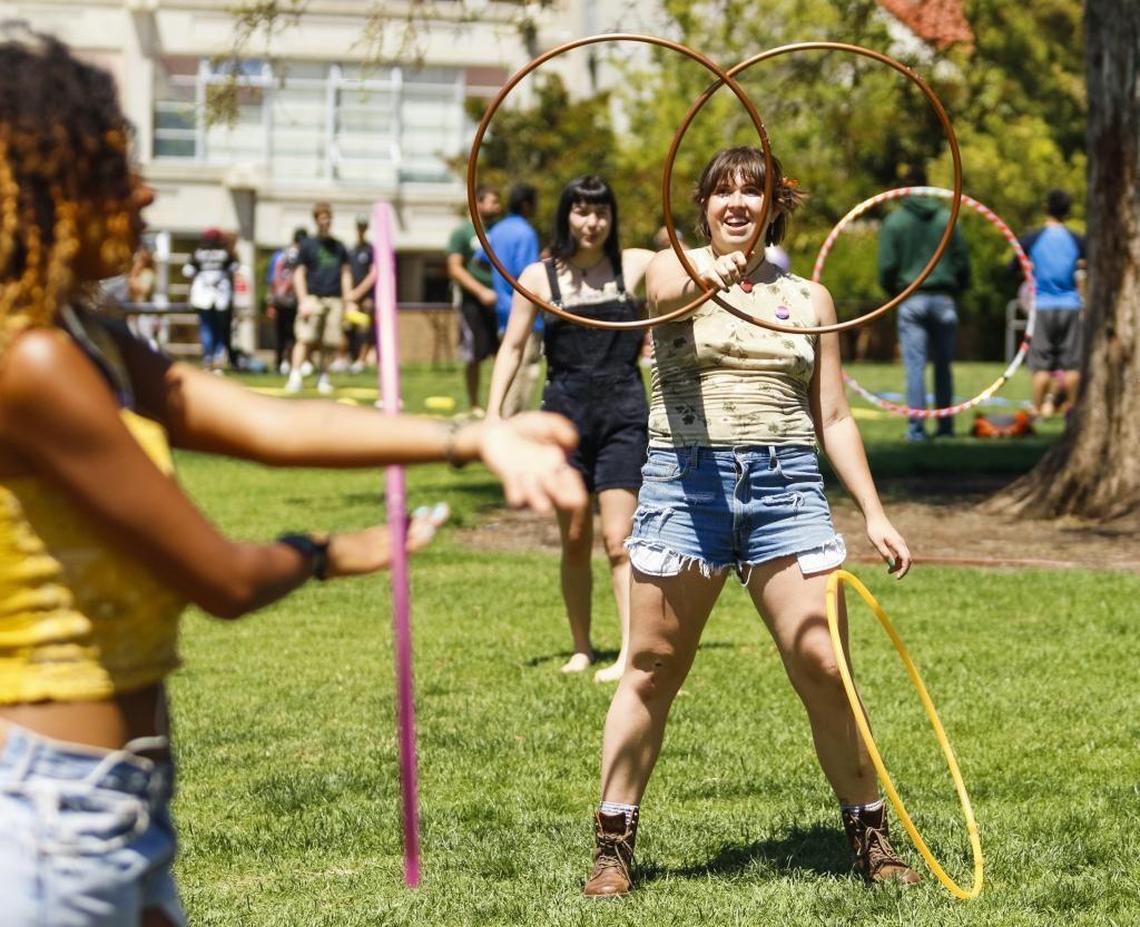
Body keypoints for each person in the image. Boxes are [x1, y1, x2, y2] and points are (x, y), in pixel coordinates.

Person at [0, 29, 587, 926]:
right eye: (115, 172)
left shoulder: (89, 338)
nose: (146, 191)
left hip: (118, 803)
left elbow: (265, 421)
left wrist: (471, 437)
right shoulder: (32, 367)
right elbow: (222, 580)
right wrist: (322, 551)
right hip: (50, 816)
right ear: (48, 195)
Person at [584, 147, 918, 898]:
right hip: (684, 486)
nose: (737, 203)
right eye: (722, 192)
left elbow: (831, 413)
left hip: (785, 489)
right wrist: (717, 274)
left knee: (826, 665)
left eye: (753, 190)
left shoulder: (811, 298)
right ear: (700, 205)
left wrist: (874, 510)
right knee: (651, 667)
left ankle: (871, 837)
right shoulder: (661, 269)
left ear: (775, 205)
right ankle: (612, 845)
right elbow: (668, 283)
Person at [487, 176, 653, 681]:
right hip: (564, 420)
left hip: (624, 414)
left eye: (600, 212)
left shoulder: (635, 266)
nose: (592, 222)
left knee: (620, 540)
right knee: (576, 536)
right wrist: (493, 417)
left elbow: (693, 270)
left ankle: (628, 652)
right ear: (566, 216)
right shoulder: (539, 278)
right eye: (581, 212)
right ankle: (582, 646)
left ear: (612, 217)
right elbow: (514, 347)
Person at [876, 165, 971, 441]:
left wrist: (893, 294)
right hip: (943, 298)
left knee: (914, 367)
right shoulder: (946, 218)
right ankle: (945, 428)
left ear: (903, 189)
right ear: (927, 185)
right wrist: (959, 289)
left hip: (911, 299)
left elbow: (886, 266)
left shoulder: (895, 222)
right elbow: (962, 260)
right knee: (944, 366)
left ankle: (916, 430)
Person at [1017, 189, 1086, 416]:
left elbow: (1012, 265)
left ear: (1046, 208)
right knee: (1072, 363)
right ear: (1067, 211)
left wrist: (1031, 267)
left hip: (1042, 307)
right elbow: (1092, 262)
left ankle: (1037, 410)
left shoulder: (1033, 238)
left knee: (1041, 364)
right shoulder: (1076, 239)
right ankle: (1072, 411)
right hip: (1071, 305)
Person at [481, 184, 542, 417]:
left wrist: (493, 286)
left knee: (505, 367)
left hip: (501, 311)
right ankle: (510, 424)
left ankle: (498, 415)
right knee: (524, 371)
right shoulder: (525, 232)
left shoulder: (498, 230)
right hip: (524, 314)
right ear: (527, 205)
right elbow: (526, 274)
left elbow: (480, 261)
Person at [285, 202, 351, 395]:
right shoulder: (307, 245)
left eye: (328, 217)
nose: (326, 221)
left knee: (330, 342)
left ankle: (323, 377)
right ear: (316, 220)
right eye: (322, 217)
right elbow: (298, 274)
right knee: (305, 338)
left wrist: (348, 300)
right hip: (313, 297)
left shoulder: (339, 247)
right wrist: (303, 299)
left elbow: (346, 273)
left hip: (335, 298)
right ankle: (295, 377)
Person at [447, 185, 502, 414]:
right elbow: (454, 268)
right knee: (474, 355)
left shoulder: (502, 231)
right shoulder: (463, 233)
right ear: (478, 203)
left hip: (500, 302)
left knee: (502, 353)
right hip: (473, 303)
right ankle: (474, 404)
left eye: (498, 202)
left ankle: (498, 406)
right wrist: (480, 291)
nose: (496, 206)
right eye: (492, 200)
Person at [183, 227, 239, 373]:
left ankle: (208, 360)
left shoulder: (198, 253)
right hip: (221, 296)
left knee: (206, 327)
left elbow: (188, 272)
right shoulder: (225, 253)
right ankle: (217, 361)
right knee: (219, 328)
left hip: (202, 296)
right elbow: (234, 270)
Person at [266, 227, 306, 375]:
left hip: (278, 299)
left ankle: (279, 364)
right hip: (294, 300)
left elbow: (271, 279)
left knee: (280, 334)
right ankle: (291, 362)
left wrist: (270, 302)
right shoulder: (301, 255)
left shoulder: (279, 255)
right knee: (294, 335)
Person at [343, 213, 378, 373]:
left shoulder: (371, 250)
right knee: (347, 328)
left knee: (365, 329)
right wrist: (349, 296)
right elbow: (347, 272)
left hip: (366, 298)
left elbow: (373, 274)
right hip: (352, 298)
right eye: (359, 227)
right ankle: (345, 358)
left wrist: (357, 293)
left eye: (363, 227)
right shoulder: (352, 250)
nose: (361, 230)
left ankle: (361, 360)